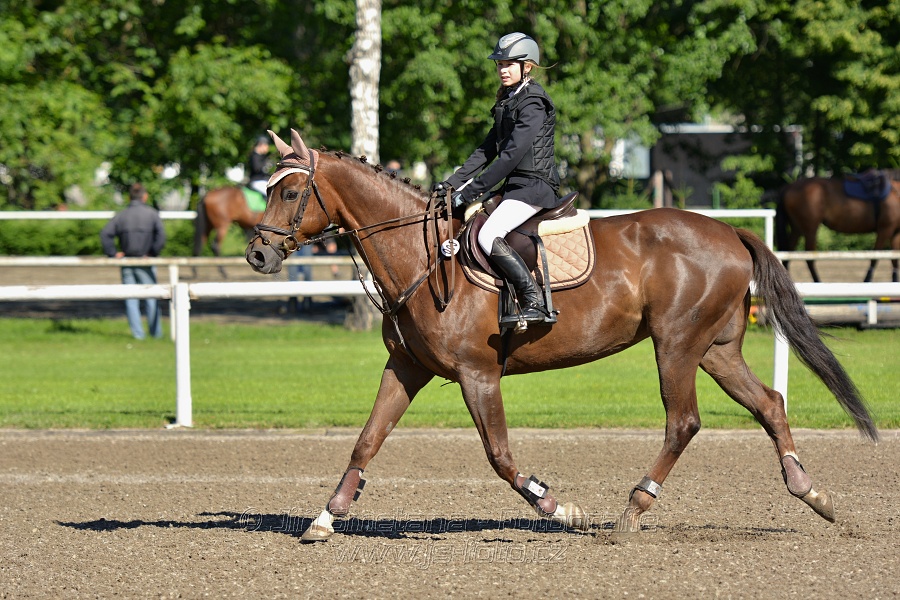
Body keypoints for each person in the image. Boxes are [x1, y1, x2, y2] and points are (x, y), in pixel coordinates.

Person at [432, 32, 562, 328]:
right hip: (514, 188)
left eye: (509, 64)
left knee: (487, 235)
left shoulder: (533, 103)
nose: (502, 69)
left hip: (534, 188)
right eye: (499, 64)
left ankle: (533, 301)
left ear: (526, 66)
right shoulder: (509, 99)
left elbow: (510, 157)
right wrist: (452, 183)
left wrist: (470, 191)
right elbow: (487, 149)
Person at [100, 183, 167, 340]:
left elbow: (105, 234)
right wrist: (152, 253)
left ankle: (138, 335)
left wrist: (113, 253)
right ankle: (156, 334)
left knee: (131, 299)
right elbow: (161, 236)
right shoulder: (152, 214)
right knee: (151, 297)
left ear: (130, 197)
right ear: (145, 196)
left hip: (127, 261)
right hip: (145, 261)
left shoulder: (122, 215)